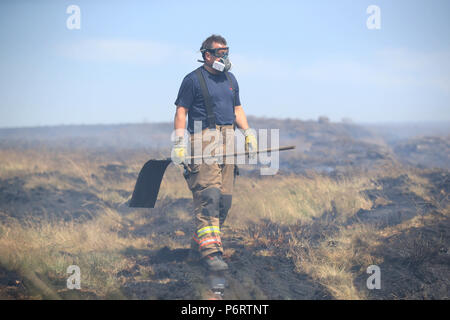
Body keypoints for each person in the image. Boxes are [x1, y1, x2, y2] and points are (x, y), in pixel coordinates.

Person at [172, 34, 257, 271]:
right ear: (207, 55)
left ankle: (196, 248)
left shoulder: (231, 79)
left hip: (228, 139)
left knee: (223, 203)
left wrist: (248, 133)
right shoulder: (192, 80)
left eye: (226, 52)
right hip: (203, 139)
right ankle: (212, 254)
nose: (225, 57)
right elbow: (181, 112)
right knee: (208, 197)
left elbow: (237, 108)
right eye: (220, 53)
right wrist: (179, 143)